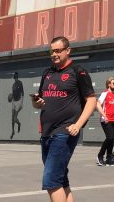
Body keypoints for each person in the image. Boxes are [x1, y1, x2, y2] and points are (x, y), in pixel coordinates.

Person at [31, 36, 96, 202]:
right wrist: (36, 102)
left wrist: (78, 124)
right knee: (60, 179)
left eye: (58, 50)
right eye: (52, 51)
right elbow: (40, 104)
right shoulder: (47, 73)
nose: (54, 54)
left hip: (65, 132)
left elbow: (91, 100)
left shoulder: (78, 71)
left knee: (51, 180)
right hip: (46, 133)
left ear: (68, 51)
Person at [96, 76, 114, 166]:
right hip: (106, 120)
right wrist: (104, 115)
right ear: (109, 84)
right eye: (113, 83)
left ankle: (109, 158)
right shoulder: (105, 93)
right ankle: (100, 156)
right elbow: (98, 104)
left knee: (111, 140)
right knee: (109, 138)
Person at [9, 72, 24, 139]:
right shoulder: (13, 85)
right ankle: (13, 131)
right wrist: (11, 97)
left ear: (17, 77)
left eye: (16, 76)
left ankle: (19, 124)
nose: (15, 78)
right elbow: (13, 93)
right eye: (15, 77)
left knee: (15, 118)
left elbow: (23, 92)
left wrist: (21, 102)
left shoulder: (20, 83)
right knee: (12, 118)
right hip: (13, 102)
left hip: (18, 101)